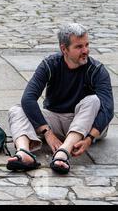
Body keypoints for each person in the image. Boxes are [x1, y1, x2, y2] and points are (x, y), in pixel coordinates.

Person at [7, 23, 114, 174]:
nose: (85, 51)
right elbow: (28, 99)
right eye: (79, 47)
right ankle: (24, 153)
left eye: (87, 45)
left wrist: (89, 138)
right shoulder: (50, 65)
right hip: (55, 120)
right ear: (64, 49)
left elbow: (108, 109)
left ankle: (63, 153)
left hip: (87, 123)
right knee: (16, 110)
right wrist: (47, 133)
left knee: (94, 100)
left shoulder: (97, 70)